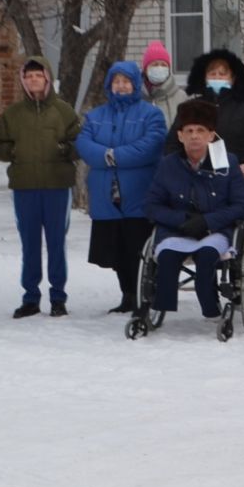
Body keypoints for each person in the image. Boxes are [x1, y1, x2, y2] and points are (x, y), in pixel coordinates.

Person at [0, 54, 82, 318]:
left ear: (47, 79)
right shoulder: (13, 114)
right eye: (28, 76)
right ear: (23, 81)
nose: (33, 80)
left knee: (55, 243)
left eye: (38, 75)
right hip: (25, 187)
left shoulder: (63, 111)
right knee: (29, 244)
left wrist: (65, 149)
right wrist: (14, 151)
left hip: (57, 187)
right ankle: (30, 297)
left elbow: (80, 143)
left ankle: (58, 297)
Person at [142, 99, 244, 322]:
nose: (194, 136)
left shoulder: (227, 163)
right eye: (189, 131)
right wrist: (181, 219)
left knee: (206, 258)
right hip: (177, 230)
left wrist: (208, 221)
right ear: (180, 136)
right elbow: (151, 206)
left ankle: (211, 310)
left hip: (215, 232)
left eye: (200, 130)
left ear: (211, 135)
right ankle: (158, 307)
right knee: (168, 258)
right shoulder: (168, 164)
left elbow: (242, 206)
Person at [78, 60, 170, 312]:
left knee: (137, 248)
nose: (121, 86)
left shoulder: (150, 114)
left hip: (139, 193)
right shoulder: (96, 116)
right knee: (116, 251)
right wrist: (107, 155)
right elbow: (84, 144)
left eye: (126, 81)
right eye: (116, 81)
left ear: (135, 84)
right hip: (106, 195)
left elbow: (150, 146)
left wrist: (112, 156)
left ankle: (146, 293)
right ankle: (127, 295)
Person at [184, 48, 244, 229]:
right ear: (204, 77)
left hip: (239, 185)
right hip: (198, 186)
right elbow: (174, 143)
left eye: (222, 73)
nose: (217, 77)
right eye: (213, 73)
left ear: (233, 79)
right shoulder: (191, 108)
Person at [141, 39, 182, 127]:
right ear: (145, 69)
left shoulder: (181, 97)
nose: (159, 68)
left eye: (163, 65)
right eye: (155, 64)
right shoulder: (136, 97)